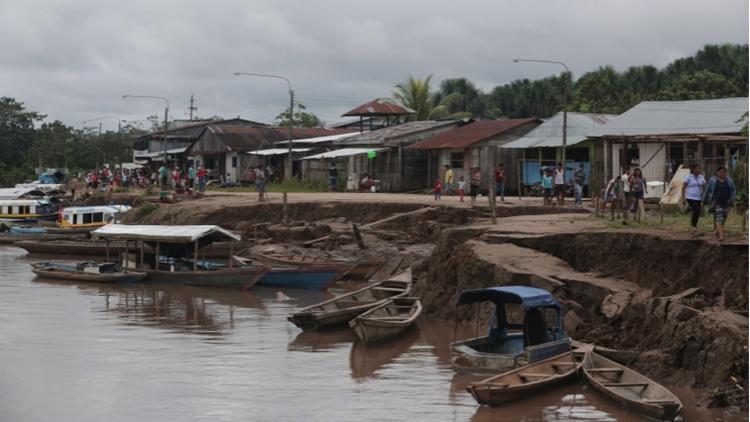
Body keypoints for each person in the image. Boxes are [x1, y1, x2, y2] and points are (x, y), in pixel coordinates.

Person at [703, 166, 736, 242]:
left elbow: (733, 188)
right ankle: (722, 236)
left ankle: (717, 230)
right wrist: (703, 201)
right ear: (717, 172)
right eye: (721, 172)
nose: (723, 173)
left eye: (724, 172)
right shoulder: (713, 180)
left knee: (724, 218)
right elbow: (707, 190)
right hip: (717, 202)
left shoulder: (729, 180)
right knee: (719, 219)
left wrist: (733, 199)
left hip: (726, 202)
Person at [681, 163, 706, 231]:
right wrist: (683, 198)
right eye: (697, 168)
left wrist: (705, 195)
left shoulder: (701, 177)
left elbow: (704, 186)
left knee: (697, 211)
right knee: (696, 210)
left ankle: (694, 225)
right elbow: (683, 187)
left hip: (699, 197)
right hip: (690, 197)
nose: (699, 170)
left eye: (699, 168)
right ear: (693, 170)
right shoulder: (688, 177)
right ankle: (693, 226)